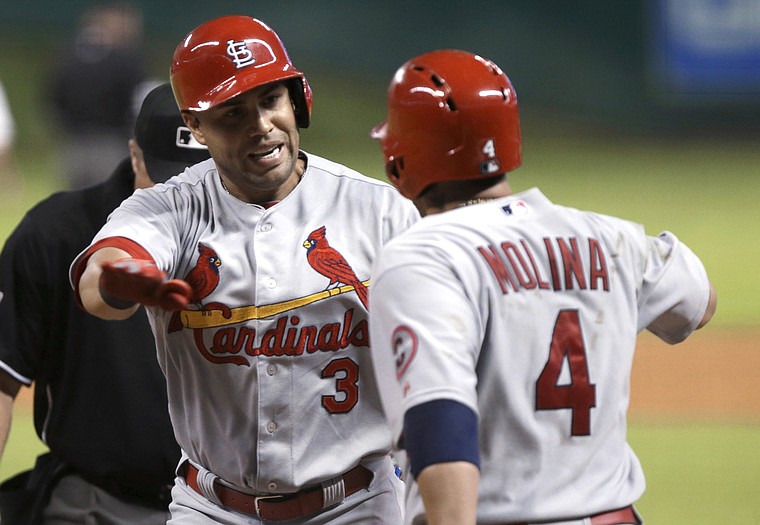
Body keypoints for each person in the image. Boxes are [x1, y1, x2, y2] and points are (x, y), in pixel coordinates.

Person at [71, 15, 418, 524]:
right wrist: (123, 277)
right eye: (232, 114)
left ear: (297, 101)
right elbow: (103, 274)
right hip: (212, 509)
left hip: (359, 505)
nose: (260, 125)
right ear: (195, 126)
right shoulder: (172, 208)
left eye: (270, 101)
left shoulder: (378, 211)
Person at [368, 49, 717, 525]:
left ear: (398, 158)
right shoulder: (610, 237)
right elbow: (701, 302)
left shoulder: (422, 257)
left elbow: (440, 427)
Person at [0, 83, 210, 524]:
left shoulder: (271, 237)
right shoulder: (56, 233)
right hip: (99, 506)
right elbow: (2, 382)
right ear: (135, 156)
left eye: (206, 180)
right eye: (170, 178)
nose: (185, 199)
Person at [47, 2, 146, 189]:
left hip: (74, 145)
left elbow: (54, 97)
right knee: (109, 207)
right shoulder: (124, 59)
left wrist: (66, 126)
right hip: (110, 145)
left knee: (75, 208)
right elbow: (137, 102)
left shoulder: (68, 56)